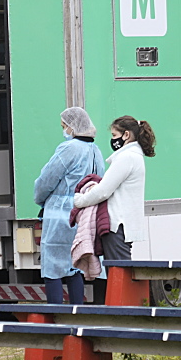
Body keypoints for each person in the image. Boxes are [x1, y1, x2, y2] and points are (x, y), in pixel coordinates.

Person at [33, 107, 103, 305]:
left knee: (53, 267)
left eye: (64, 126)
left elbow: (47, 179)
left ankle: (56, 314)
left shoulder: (68, 149)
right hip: (83, 214)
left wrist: (41, 199)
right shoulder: (95, 150)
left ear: (72, 127)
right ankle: (76, 313)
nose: (63, 130)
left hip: (59, 213)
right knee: (75, 264)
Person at [73, 115, 155, 265]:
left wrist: (79, 200)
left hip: (117, 226)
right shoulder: (134, 156)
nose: (112, 139)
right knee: (121, 273)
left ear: (127, 135)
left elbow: (103, 191)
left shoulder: (126, 157)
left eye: (114, 135)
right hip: (123, 226)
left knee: (119, 275)